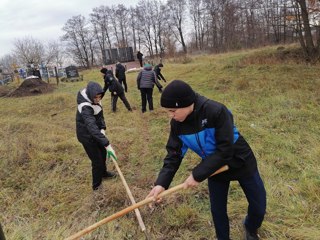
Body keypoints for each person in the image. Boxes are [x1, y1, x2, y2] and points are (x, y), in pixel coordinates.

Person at [146, 80, 266, 240]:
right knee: (218, 211)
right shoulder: (177, 125)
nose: (171, 116)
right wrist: (161, 183)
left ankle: (251, 227)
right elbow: (174, 155)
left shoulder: (216, 111)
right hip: (213, 168)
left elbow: (226, 150)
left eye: (173, 111)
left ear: (186, 104)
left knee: (258, 205)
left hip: (240, 160)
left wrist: (197, 174)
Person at [76, 81, 117, 190]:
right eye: (96, 97)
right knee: (97, 161)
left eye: (100, 97)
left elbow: (100, 117)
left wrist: (102, 129)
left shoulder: (96, 100)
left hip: (96, 133)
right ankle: (97, 186)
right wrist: (107, 144)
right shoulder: (85, 106)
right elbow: (91, 126)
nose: (98, 99)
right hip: (86, 136)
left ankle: (103, 173)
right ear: (90, 95)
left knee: (103, 154)